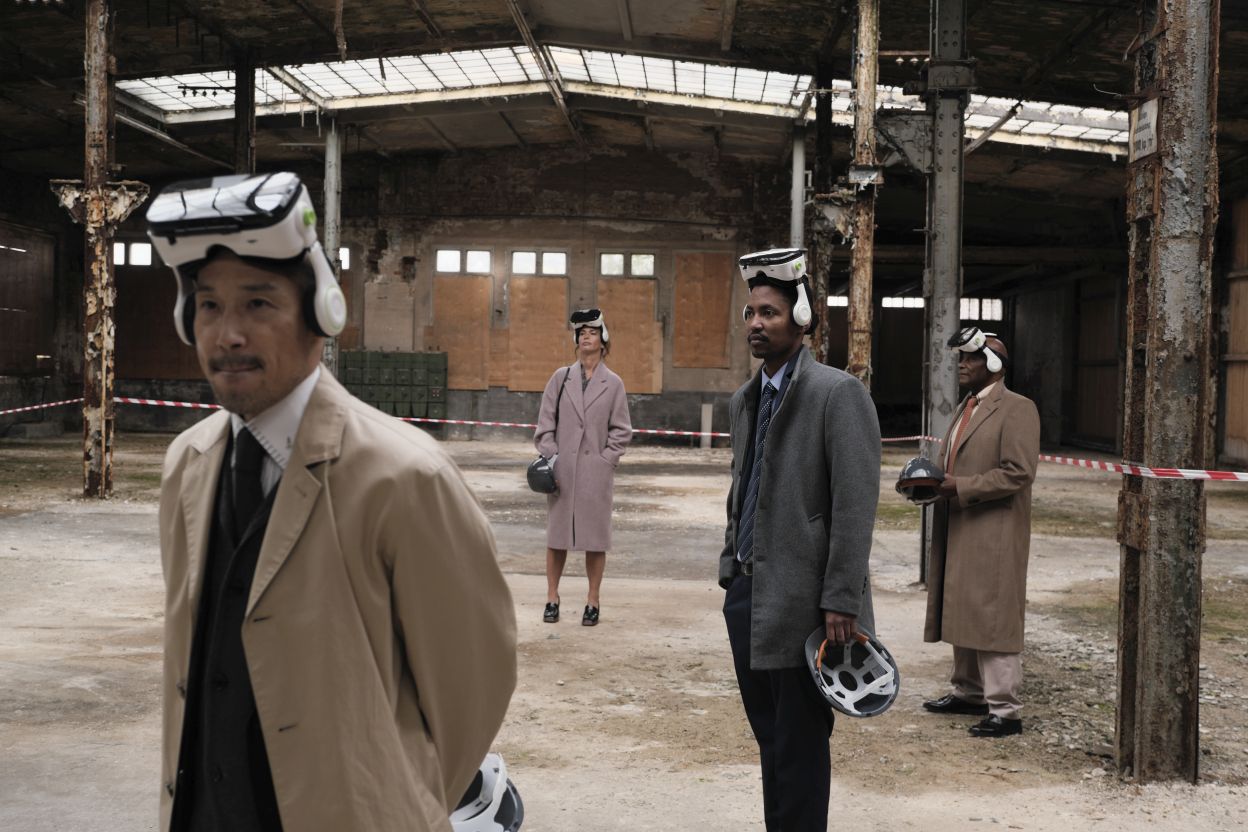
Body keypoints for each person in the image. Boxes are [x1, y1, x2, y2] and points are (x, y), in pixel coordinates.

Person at [146, 172, 517, 831]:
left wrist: (390, 804)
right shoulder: (187, 465)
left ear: (321, 314)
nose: (227, 334)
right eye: (208, 306)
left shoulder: (403, 477)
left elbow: (473, 688)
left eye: (257, 304)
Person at [718, 248, 881, 832]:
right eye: (751, 313)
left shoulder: (837, 394)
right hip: (749, 597)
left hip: (808, 608)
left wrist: (841, 599)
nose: (757, 323)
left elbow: (855, 506)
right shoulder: (745, 400)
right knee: (770, 740)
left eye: (771, 312)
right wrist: (730, 566)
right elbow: (741, 487)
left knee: (801, 745)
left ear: (802, 318)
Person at [922, 328, 1039, 738]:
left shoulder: (1018, 409)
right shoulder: (967, 406)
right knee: (963, 606)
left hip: (994, 529)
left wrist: (962, 486)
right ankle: (969, 692)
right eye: (961, 358)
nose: (962, 365)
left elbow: (1019, 472)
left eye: (971, 358)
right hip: (962, 522)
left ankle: (1005, 710)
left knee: (994, 616)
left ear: (993, 364)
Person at [533, 308, 632, 627]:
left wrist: (606, 460)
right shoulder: (560, 378)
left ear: (603, 340)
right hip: (562, 472)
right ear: (576, 340)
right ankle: (552, 597)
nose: (586, 337)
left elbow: (622, 430)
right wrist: (553, 456)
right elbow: (545, 424)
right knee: (556, 538)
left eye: (593, 332)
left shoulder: (613, 384)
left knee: (595, 539)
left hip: (595, 474)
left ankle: (593, 600)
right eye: (582, 333)